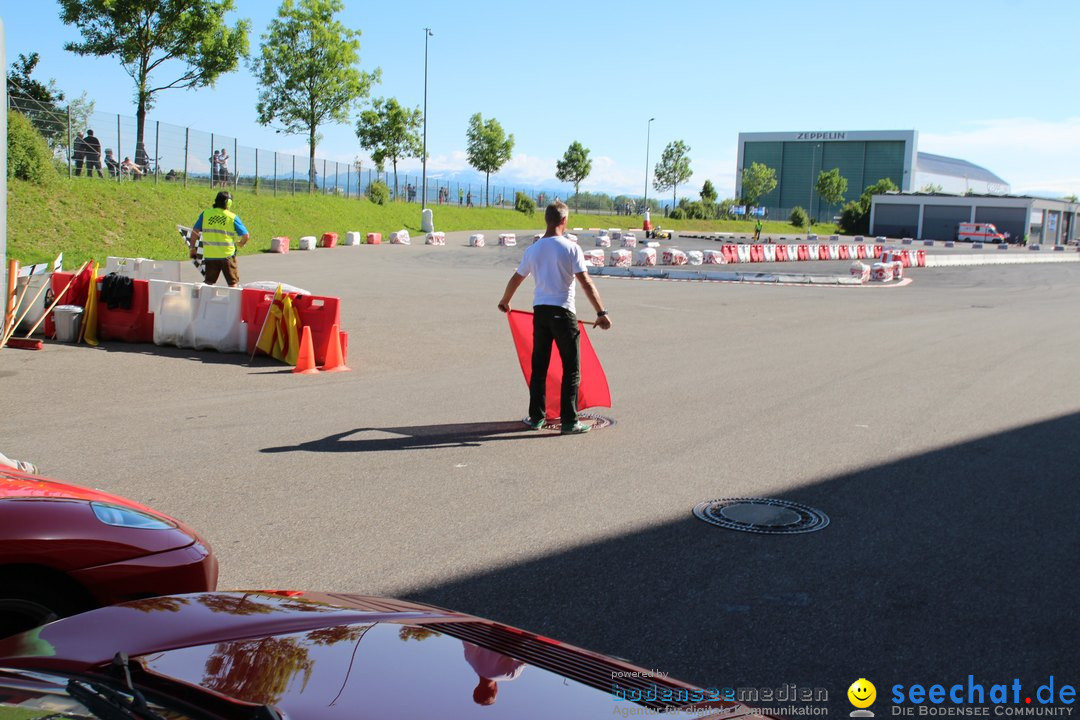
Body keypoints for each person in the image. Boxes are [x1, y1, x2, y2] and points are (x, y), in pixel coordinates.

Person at [497, 200, 612, 435]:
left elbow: (517, 278)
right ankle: (569, 420)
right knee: (571, 368)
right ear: (564, 220)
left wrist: (505, 301)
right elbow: (586, 283)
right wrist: (601, 313)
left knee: (539, 366)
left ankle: (536, 417)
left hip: (540, 313)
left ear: (546, 220)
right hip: (563, 312)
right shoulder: (570, 248)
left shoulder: (534, 249)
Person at [189, 191, 250, 287]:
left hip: (210, 255)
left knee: (209, 282)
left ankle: (206, 301)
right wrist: (242, 243)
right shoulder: (232, 217)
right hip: (227, 255)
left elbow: (195, 231)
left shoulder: (206, 214)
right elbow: (246, 235)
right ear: (229, 203)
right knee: (232, 283)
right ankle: (233, 302)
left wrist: (192, 248)